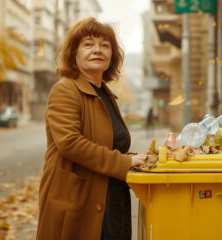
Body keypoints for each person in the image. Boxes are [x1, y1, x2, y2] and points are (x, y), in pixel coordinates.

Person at [36, 17, 148, 240]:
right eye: (88, 44)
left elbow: (107, 145)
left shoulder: (106, 94)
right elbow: (70, 143)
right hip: (77, 202)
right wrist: (125, 163)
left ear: (112, 56)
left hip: (112, 199)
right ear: (74, 53)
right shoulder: (65, 90)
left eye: (105, 45)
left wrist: (138, 159)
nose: (98, 50)